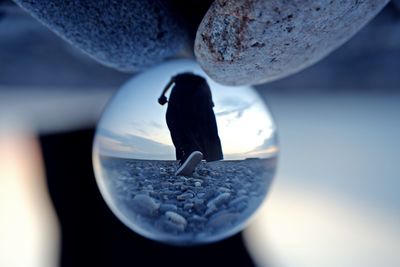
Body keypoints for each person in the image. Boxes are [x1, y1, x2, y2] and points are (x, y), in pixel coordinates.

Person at [158, 72, 223, 176]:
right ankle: (191, 153)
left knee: (177, 122)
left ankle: (187, 153)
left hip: (183, 93)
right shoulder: (199, 79)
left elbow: (170, 82)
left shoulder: (181, 77)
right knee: (197, 124)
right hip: (199, 93)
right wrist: (210, 99)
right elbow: (206, 85)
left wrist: (162, 95)